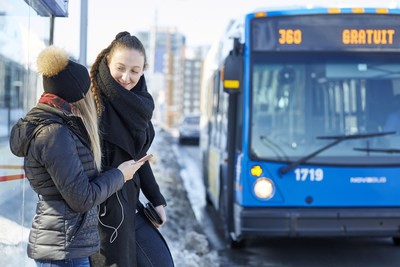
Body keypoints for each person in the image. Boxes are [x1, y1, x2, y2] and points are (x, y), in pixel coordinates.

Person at [9, 46, 146, 267]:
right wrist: (120, 175)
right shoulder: (54, 134)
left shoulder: (56, 126)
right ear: (75, 95)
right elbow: (81, 198)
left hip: (65, 246)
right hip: (64, 251)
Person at [89, 31, 174, 267]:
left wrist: (156, 199)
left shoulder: (139, 104)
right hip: (103, 215)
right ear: (107, 62)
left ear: (143, 70)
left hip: (130, 205)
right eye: (120, 68)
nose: (126, 77)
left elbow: (136, 158)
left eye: (135, 71)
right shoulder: (91, 102)